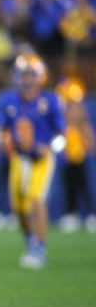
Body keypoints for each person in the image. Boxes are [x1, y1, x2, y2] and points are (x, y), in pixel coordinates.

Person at [0, 54, 65, 269]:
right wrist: (1, 140)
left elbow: (62, 135)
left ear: (39, 76)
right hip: (20, 157)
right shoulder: (9, 100)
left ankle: (40, 247)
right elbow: (2, 130)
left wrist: (49, 147)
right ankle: (30, 242)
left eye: (30, 74)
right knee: (18, 207)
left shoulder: (50, 100)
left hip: (41, 158)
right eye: (23, 74)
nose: (26, 79)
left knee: (36, 199)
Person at [55, 77, 96, 233]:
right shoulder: (61, 111)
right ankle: (72, 214)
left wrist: (89, 140)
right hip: (66, 154)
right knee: (68, 186)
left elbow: (85, 128)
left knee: (83, 185)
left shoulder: (79, 113)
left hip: (78, 154)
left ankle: (91, 214)